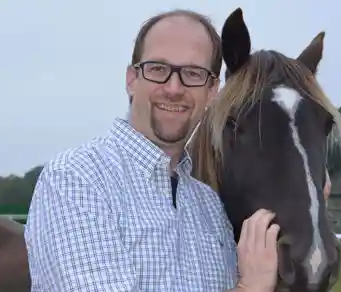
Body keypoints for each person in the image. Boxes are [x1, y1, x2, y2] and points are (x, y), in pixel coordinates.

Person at [24, 9, 281, 292]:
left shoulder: (208, 206)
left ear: (211, 92)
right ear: (132, 79)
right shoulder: (77, 178)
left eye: (193, 73)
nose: (173, 88)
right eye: (158, 69)